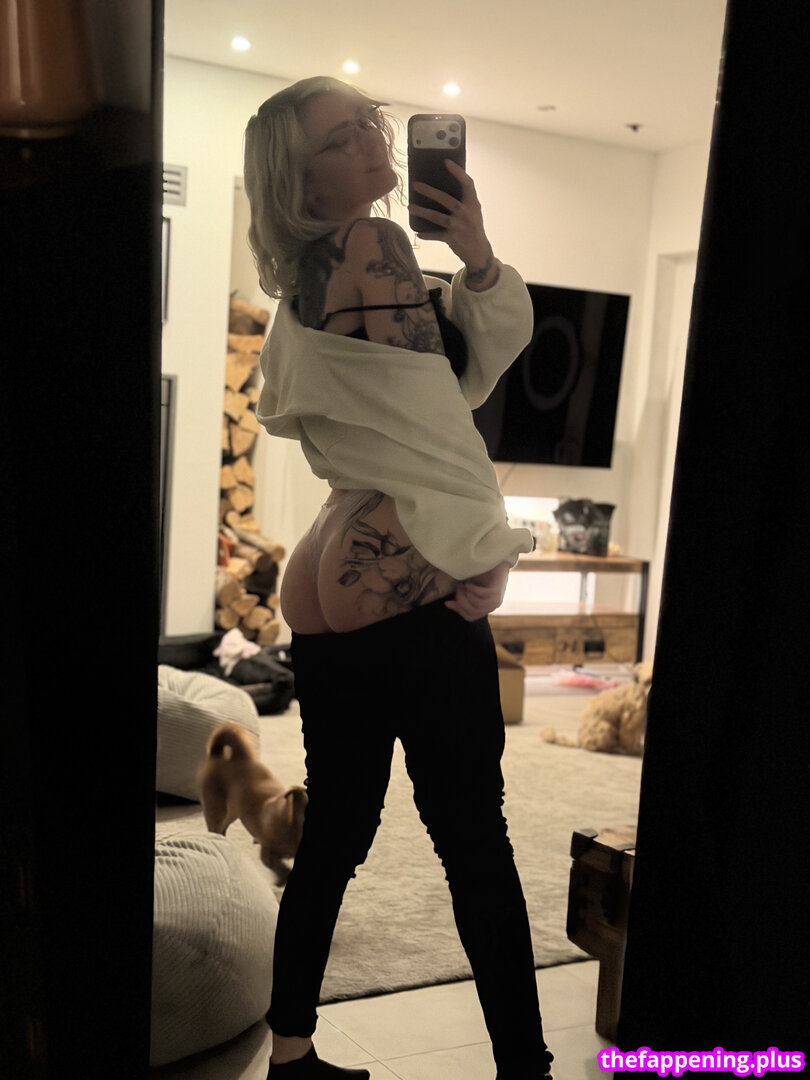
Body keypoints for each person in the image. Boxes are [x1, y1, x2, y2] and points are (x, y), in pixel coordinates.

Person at [243, 76, 554, 1080]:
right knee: (475, 842)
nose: (374, 140)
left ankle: (291, 1056)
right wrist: (491, 546)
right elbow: (441, 434)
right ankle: (525, 1071)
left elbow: (439, 382)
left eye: (368, 122)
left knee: (335, 834)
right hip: (403, 580)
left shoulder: (307, 280)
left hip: (330, 577)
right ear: (303, 180)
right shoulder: (374, 244)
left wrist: (476, 259)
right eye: (344, 137)